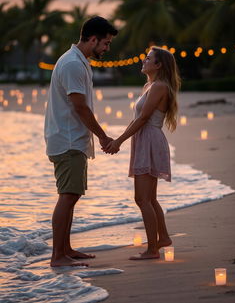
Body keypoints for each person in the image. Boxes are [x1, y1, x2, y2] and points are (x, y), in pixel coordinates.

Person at [44, 16, 118, 267]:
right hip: (68, 140)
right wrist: (103, 136)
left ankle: (66, 249)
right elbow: (80, 107)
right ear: (93, 39)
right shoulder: (72, 64)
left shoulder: (77, 61)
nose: (107, 48)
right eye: (105, 43)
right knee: (68, 195)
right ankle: (58, 256)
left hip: (71, 139)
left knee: (71, 195)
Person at [104, 46, 180, 260]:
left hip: (149, 140)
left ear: (158, 65)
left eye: (148, 59)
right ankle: (162, 237)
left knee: (142, 198)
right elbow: (137, 118)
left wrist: (119, 141)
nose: (143, 61)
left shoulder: (159, 87)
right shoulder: (150, 86)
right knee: (150, 198)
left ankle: (153, 249)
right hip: (145, 139)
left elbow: (144, 118)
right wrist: (117, 139)